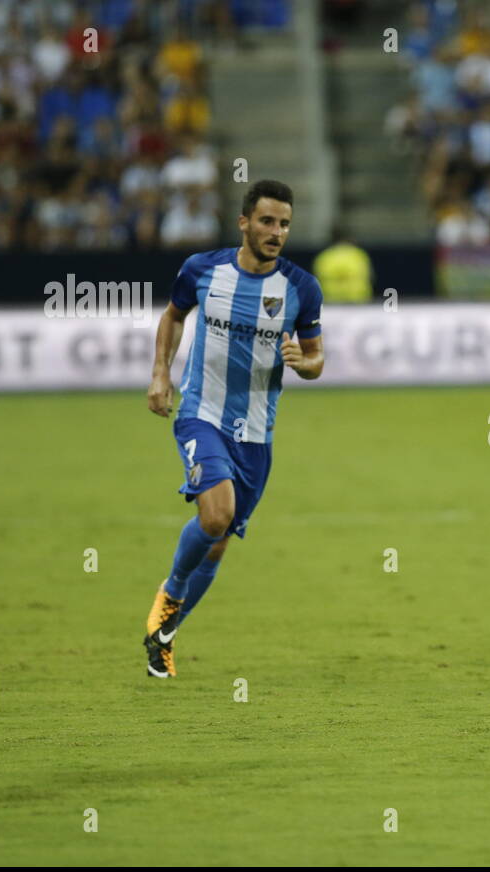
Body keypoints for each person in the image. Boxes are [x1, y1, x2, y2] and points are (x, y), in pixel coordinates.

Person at [142, 179, 324, 678]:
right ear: (243, 222)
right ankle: (172, 592)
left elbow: (317, 358)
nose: (276, 232)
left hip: (257, 435)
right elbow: (174, 316)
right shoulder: (203, 269)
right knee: (216, 515)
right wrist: (161, 372)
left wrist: (303, 363)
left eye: (284, 224)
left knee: (218, 542)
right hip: (202, 414)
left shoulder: (301, 288)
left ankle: (166, 633)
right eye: (266, 221)